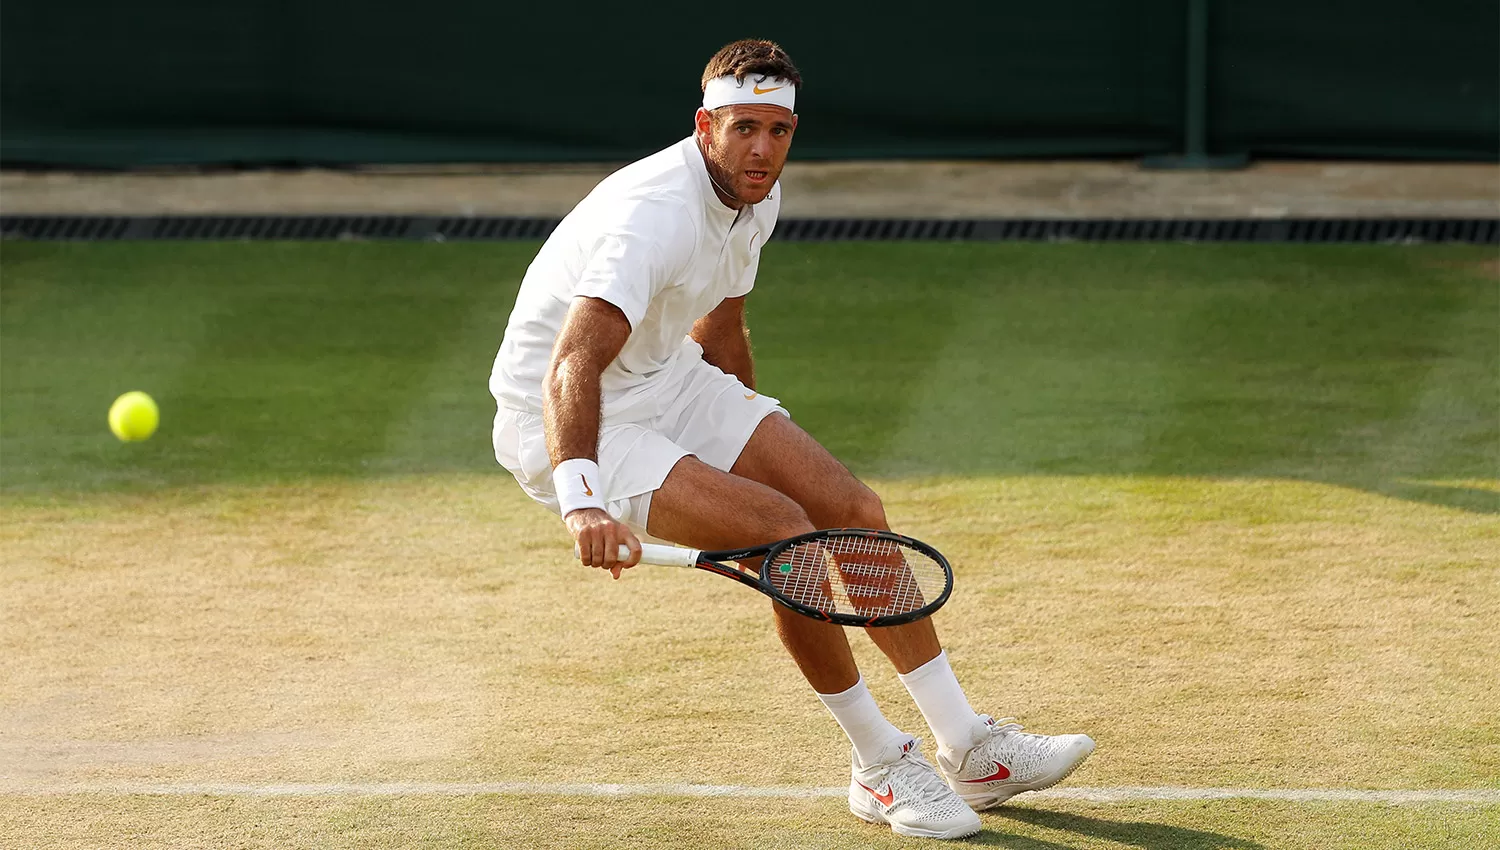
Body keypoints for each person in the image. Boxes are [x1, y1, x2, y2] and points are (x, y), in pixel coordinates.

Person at [489, 38, 1095, 841]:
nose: (762, 149)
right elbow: (573, 361)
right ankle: (878, 766)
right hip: (574, 417)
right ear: (705, 125)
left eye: (777, 131)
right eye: (743, 129)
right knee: (786, 535)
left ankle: (970, 749)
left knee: (849, 507)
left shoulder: (754, 196)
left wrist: (751, 436)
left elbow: (723, 325)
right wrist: (581, 502)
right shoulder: (652, 217)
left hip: (667, 378)